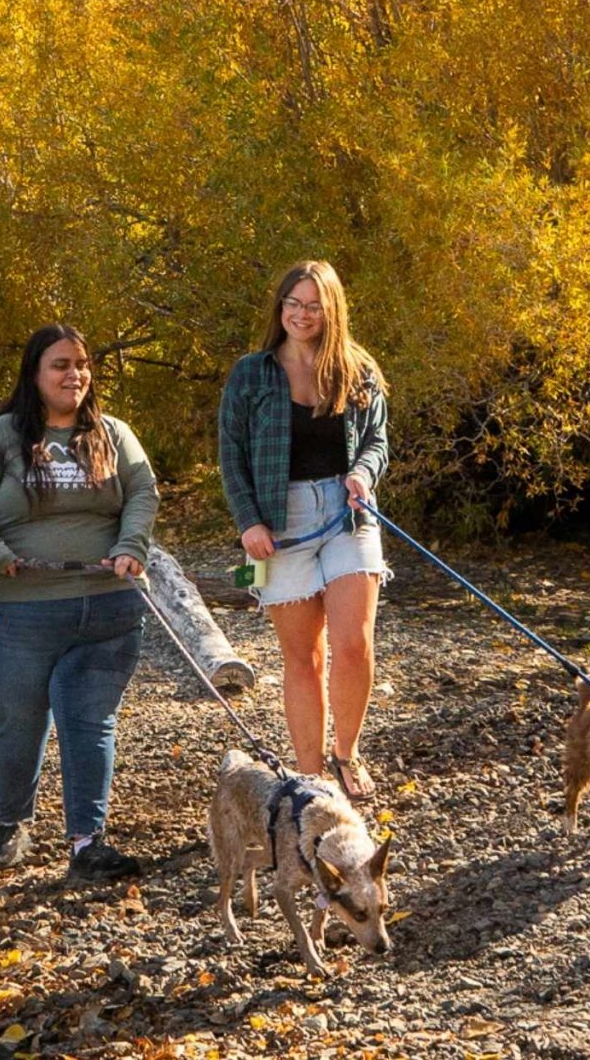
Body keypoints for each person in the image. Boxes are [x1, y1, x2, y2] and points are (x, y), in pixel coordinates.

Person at [0, 324, 159, 881]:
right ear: (35, 375)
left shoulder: (114, 434)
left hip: (109, 606)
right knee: (20, 719)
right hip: (16, 609)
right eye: (61, 365)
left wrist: (131, 545)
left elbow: (142, 491)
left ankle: (88, 844)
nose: (75, 375)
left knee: (89, 720)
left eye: (82, 364)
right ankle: (10, 824)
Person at [217, 260, 391, 802]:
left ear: (331, 309)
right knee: (303, 656)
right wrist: (248, 522)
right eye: (293, 303)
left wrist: (363, 473)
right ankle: (310, 776)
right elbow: (231, 455)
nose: (301, 314)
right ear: (280, 307)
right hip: (278, 516)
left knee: (353, 644)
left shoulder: (358, 369)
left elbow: (378, 441)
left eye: (313, 305)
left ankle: (346, 753)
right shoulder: (252, 373)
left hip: (348, 511)